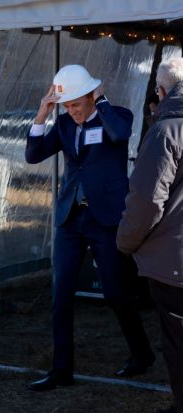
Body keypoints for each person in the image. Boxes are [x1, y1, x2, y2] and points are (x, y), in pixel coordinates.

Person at [24, 64, 154, 391]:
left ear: (91, 96)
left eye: (77, 105)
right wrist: (42, 114)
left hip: (106, 218)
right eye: (67, 106)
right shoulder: (65, 124)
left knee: (116, 292)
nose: (72, 112)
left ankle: (142, 354)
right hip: (72, 217)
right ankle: (61, 370)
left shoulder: (117, 115)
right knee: (61, 294)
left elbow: (120, 135)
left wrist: (102, 101)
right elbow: (33, 154)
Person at [117, 57, 183, 413]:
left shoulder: (165, 130)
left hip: (175, 267)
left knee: (178, 346)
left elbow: (146, 201)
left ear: (162, 91)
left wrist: (125, 242)